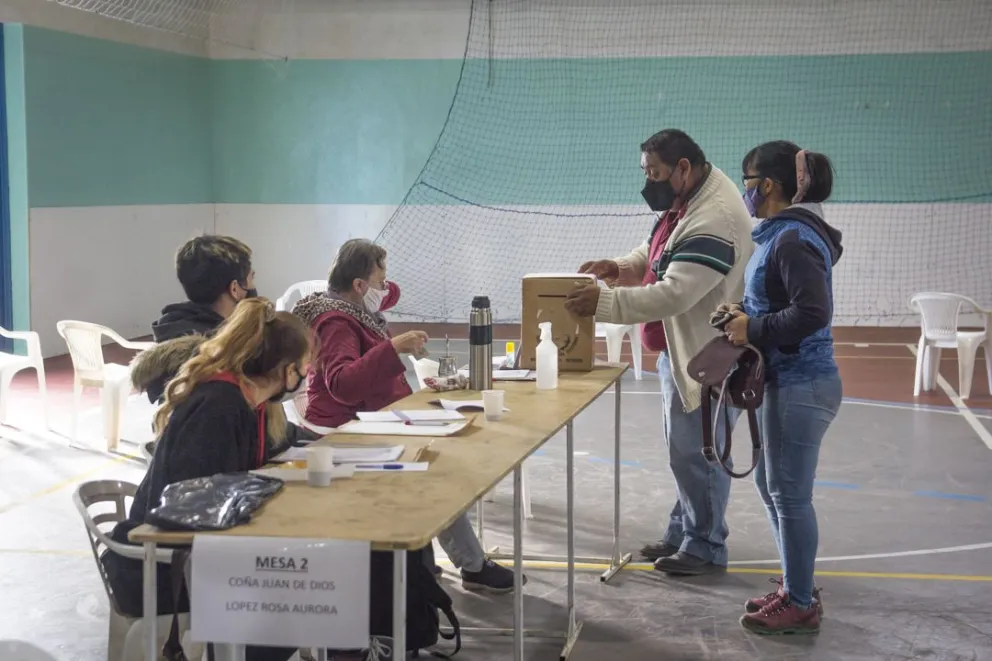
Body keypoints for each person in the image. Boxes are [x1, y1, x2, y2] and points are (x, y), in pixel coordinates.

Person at [564, 129, 754, 576]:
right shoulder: (692, 197)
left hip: (710, 354)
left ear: (682, 168)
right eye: (645, 171)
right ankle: (683, 531)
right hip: (682, 347)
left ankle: (705, 546)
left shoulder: (716, 217)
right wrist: (624, 266)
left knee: (700, 451)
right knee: (684, 449)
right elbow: (662, 249)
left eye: (654, 172)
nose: (648, 181)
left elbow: (674, 294)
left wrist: (604, 303)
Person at [292, 238, 521, 593]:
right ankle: (470, 564)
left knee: (438, 456)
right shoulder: (336, 323)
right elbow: (342, 385)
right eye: (381, 276)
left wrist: (381, 283)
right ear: (358, 286)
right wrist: (393, 348)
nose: (387, 286)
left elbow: (388, 293)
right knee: (436, 470)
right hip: (346, 428)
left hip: (374, 415)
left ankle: (428, 560)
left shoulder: (353, 303)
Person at [104, 298, 311, 661]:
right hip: (163, 566)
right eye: (307, 366)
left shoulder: (250, 401)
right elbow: (195, 506)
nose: (308, 375)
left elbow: (284, 440)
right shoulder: (219, 406)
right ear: (287, 370)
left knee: (309, 581)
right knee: (301, 590)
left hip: (188, 556)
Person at [723, 141, 843, 635]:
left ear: (767, 185)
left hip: (802, 384)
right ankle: (796, 585)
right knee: (771, 487)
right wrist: (741, 319)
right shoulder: (782, 235)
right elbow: (777, 304)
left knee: (790, 496)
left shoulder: (792, 238)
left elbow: (812, 313)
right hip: (786, 381)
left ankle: (799, 601)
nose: (745, 188)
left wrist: (752, 329)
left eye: (747, 179)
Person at [130, 234, 317, 451]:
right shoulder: (233, 358)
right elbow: (262, 437)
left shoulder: (173, 332)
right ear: (235, 289)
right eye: (251, 277)